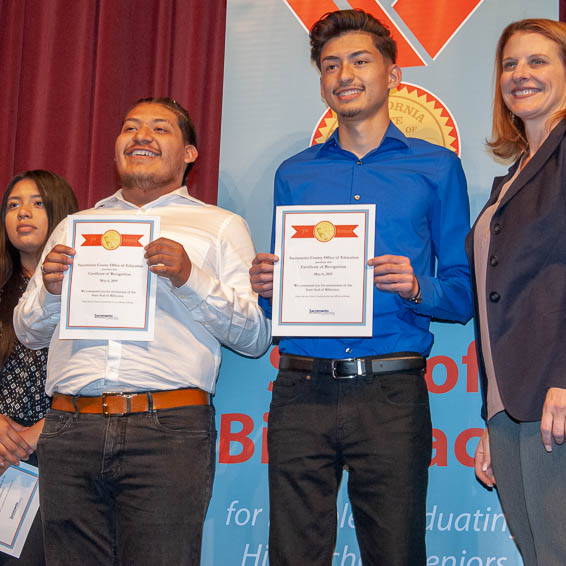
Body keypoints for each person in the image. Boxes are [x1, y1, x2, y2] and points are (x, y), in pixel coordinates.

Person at [249, 10, 472, 566]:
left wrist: (418, 287)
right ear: (322, 81)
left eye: (359, 60)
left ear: (393, 76)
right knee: (293, 555)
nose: (344, 74)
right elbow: (284, 298)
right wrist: (268, 287)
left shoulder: (438, 168)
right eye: (330, 65)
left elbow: (464, 292)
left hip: (391, 394)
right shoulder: (293, 174)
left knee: (395, 553)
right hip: (301, 389)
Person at [14, 97, 270, 565]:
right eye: (131, 127)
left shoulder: (219, 227)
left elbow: (254, 337)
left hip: (167, 429)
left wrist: (190, 276)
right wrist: (50, 290)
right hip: (71, 427)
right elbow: (28, 332)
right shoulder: (75, 226)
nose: (141, 136)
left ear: (190, 153)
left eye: (160, 128)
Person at [468, 19, 566, 566]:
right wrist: (492, 413)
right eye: (509, 64)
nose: (520, 74)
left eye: (538, 61)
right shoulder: (508, 180)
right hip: (512, 406)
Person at [0, 170, 78, 565]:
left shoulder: (88, 289)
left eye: (36, 203)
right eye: (13, 205)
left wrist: (38, 432)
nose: (23, 213)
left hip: (59, 452)